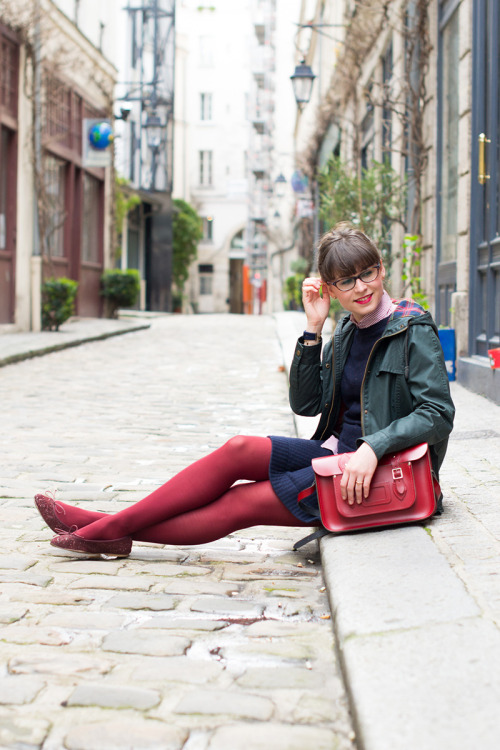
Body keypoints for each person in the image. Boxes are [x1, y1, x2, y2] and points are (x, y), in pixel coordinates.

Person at [34, 223, 455, 558]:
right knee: (239, 448)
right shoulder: (346, 328)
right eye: (347, 281)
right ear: (329, 288)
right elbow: (306, 403)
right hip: (339, 455)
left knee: (239, 504)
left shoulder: (411, 327)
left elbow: (437, 412)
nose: (363, 288)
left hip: (377, 476)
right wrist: (313, 329)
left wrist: (372, 447)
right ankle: (107, 528)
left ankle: (104, 527)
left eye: (369, 273)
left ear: (381, 268)